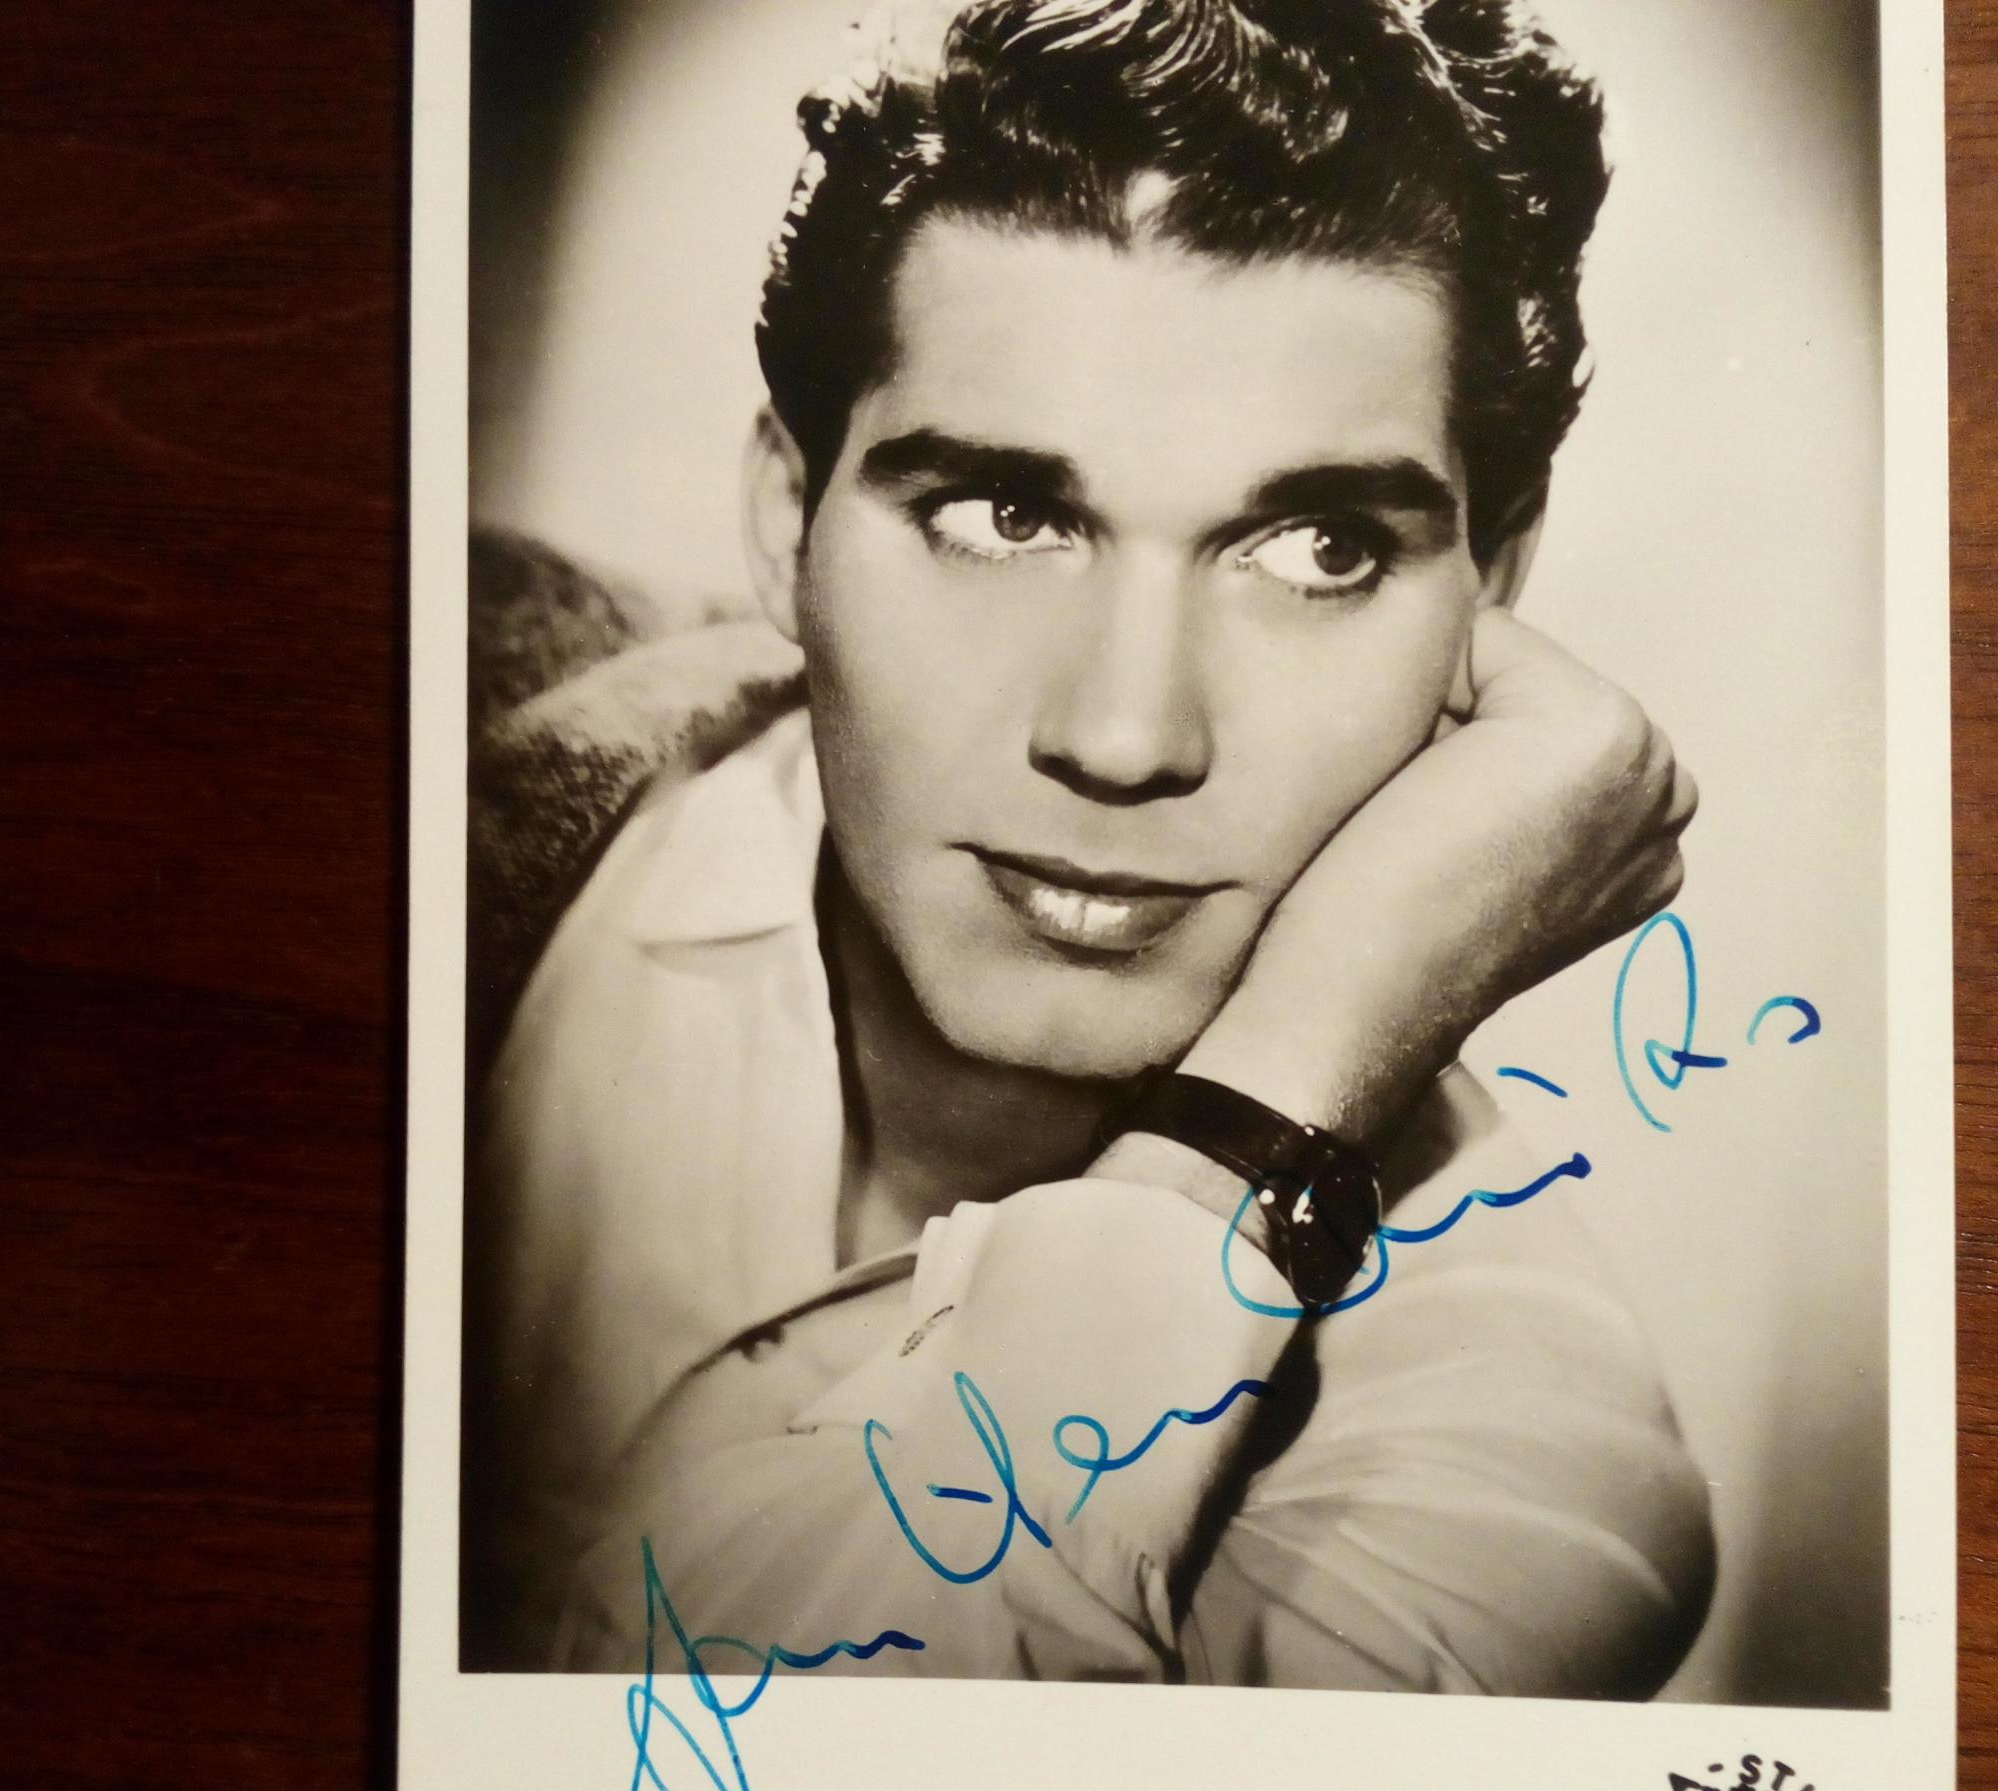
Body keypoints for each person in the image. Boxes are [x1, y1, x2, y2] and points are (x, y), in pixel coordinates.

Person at [462, 0, 1715, 1693]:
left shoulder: (1520, 1476)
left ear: (1488, 595)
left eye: (1318, 549)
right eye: (1005, 516)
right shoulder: (427, 739)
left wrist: (1252, 1126)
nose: (1125, 737)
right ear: (785, 520)